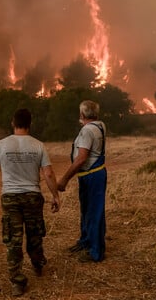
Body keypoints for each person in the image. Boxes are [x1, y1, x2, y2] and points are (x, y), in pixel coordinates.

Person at [0, 108, 61, 297]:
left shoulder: (1, 144)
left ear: (13, 122)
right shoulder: (38, 145)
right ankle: (37, 264)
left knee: (14, 240)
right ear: (30, 123)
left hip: (10, 198)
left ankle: (18, 282)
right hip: (32, 196)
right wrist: (56, 196)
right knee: (34, 234)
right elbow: (49, 173)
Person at [57, 100, 107, 263]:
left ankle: (95, 251)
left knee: (94, 212)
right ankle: (85, 241)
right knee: (87, 210)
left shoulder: (87, 130)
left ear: (82, 115)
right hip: (94, 174)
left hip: (92, 175)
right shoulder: (100, 125)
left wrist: (64, 179)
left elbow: (81, 159)